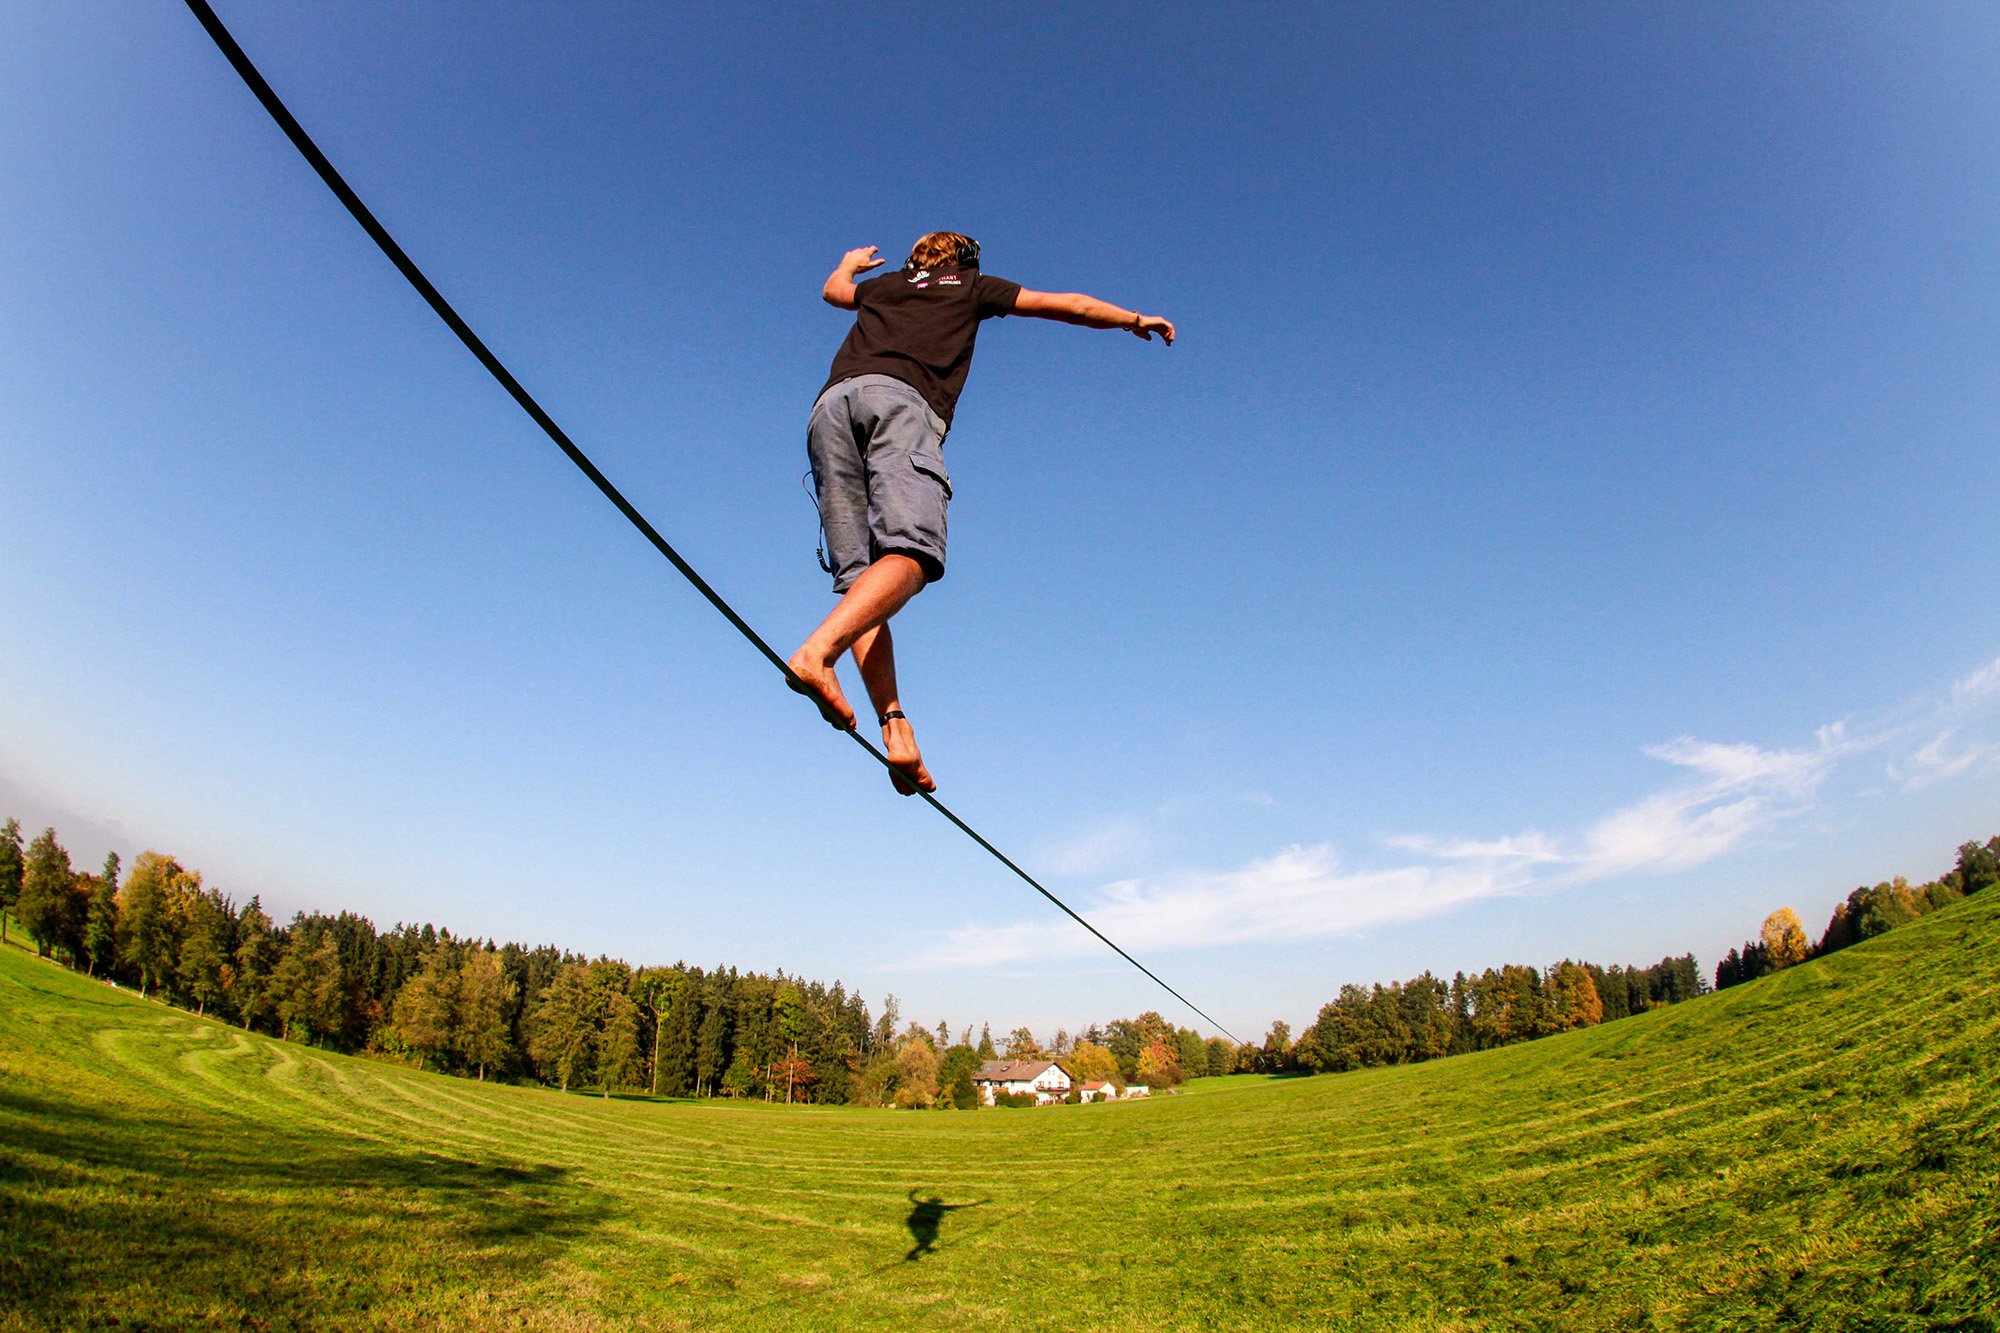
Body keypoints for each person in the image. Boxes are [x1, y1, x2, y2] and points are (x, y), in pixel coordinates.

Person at [787, 232, 1174, 794]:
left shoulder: (886, 286)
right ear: (966, 262)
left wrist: (846, 264)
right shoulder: (969, 285)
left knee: (862, 590)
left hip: (830, 409)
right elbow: (1067, 305)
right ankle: (817, 654)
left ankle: (896, 729)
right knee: (912, 555)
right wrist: (1132, 318)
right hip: (898, 403)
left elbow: (835, 293)